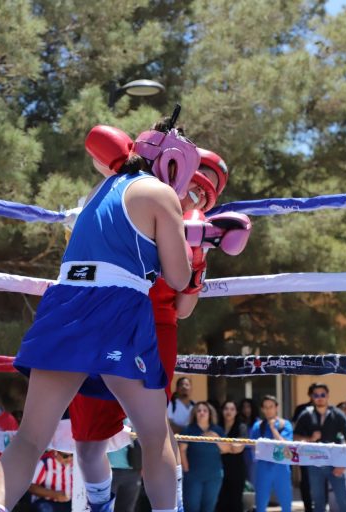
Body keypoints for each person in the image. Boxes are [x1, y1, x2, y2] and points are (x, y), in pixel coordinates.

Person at [65, 132, 237, 512]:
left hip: (155, 327)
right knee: (89, 440)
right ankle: (100, 505)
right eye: (193, 184)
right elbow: (102, 151)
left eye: (203, 194)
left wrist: (198, 259)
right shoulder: (130, 193)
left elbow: (185, 308)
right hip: (100, 316)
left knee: (155, 430)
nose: (194, 196)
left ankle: (171, 507)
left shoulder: (198, 232)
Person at [293, 383, 346, 512]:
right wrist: (310, 439)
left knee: (343, 502)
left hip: (336, 463)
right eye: (316, 395)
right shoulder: (306, 414)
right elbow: (295, 437)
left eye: (322, 395)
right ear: (312, 397)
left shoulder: (338, 414)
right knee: (318, 503)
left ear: (328, 395)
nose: (319, 398)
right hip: (314, 463)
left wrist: (343, 464)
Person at [180, 402, 230, 512]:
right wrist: (186, 468)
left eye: (205, 410)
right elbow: (182, 450)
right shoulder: (188, 429)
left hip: (214, 476)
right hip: (193, 476)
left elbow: (226, 449)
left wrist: (216, 438)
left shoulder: (217, 430)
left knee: (209, 507)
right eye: (199, 411)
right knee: (192, 507)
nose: (202, 413)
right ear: (195, 414)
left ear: (210, 414)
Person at [249, 395, 292, 512]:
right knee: (260, 505)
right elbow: (252, 446)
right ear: (262, 409)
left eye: (271, 406)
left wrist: (274, 429)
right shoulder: (257, 426)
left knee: (286, 505)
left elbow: (286, 445)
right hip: (263, 467)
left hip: (281, 467)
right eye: (266, 407)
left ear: (276, 407)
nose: (268, 410)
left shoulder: (285, 424)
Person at [216, 400, 247, 512]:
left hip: (236, 470)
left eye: (232, 409)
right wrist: (230, 447)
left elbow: (239, 448)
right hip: (218, 469)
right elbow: (214, 449)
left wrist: (222, 446)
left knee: (235, 502)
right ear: (222, 411)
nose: (229, 412)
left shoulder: (241, 427)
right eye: (226, 409)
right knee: (220, 502)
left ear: (236, 412)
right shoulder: (217, 427)